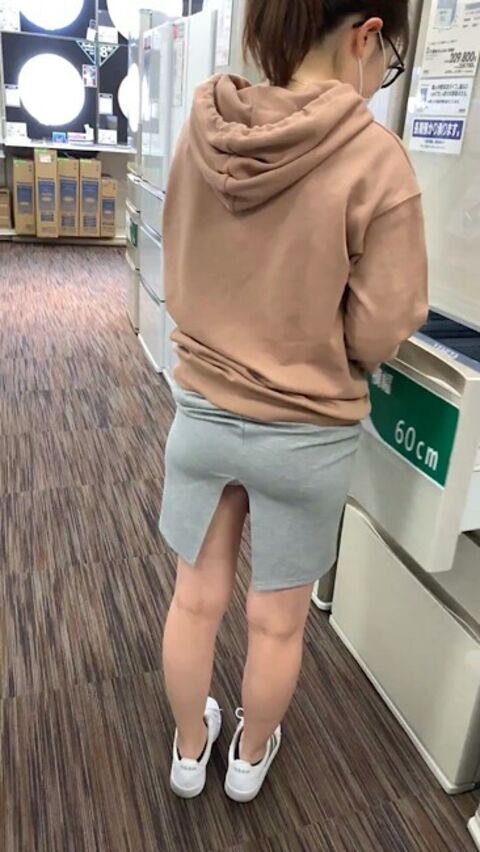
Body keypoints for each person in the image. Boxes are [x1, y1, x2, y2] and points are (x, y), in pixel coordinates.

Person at [160, 0, 428, 803]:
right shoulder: (377, 160)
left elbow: (178, 255)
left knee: (194, 600)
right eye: (389, 60)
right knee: (277, 622)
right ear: (367, 35)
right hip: (308, 436)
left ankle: (189, 750)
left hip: (203, 414)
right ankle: (249, 760)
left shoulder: (204, 126)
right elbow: (386, 321)